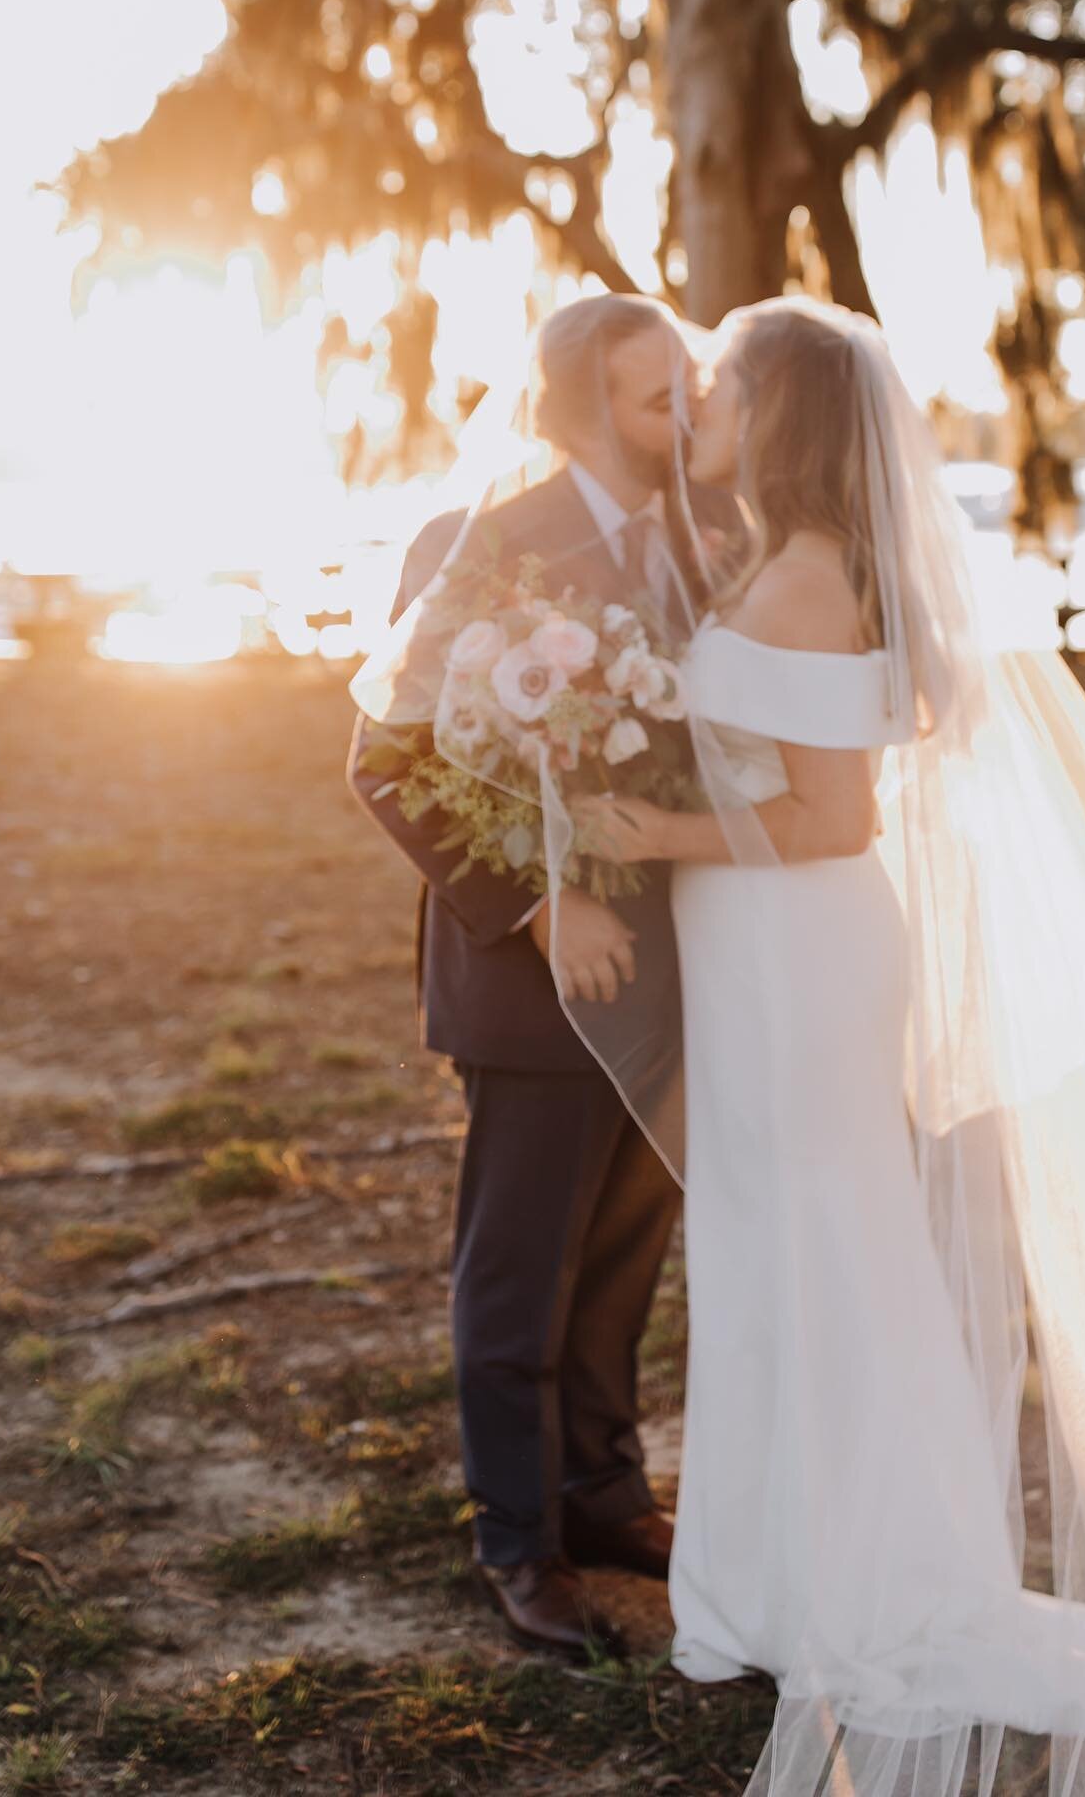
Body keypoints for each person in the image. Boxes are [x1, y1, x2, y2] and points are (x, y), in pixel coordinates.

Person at [565, 299, 1085, 1795]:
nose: (701, 398)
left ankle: (875, 1577)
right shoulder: (768, 560)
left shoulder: (814, 578)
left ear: (781, 413)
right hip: (761, 955)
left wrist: (650, 829)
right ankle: (762, 1580)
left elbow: (837, 821)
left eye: (722, 382)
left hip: (806, 952)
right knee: (771, 1249)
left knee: (832, 1245)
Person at [346, 294, 739, 1659]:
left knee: (629, 1249)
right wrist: (536, 912)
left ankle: (604, 1490)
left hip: (674, 966)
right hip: (531, 981)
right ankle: (515, 1538)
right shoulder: (481, 544)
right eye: (654, 400)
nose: (683, 420)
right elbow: (387, 762)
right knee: (520, 1263)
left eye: (690, 392)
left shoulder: (701, 540)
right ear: (580, 412)